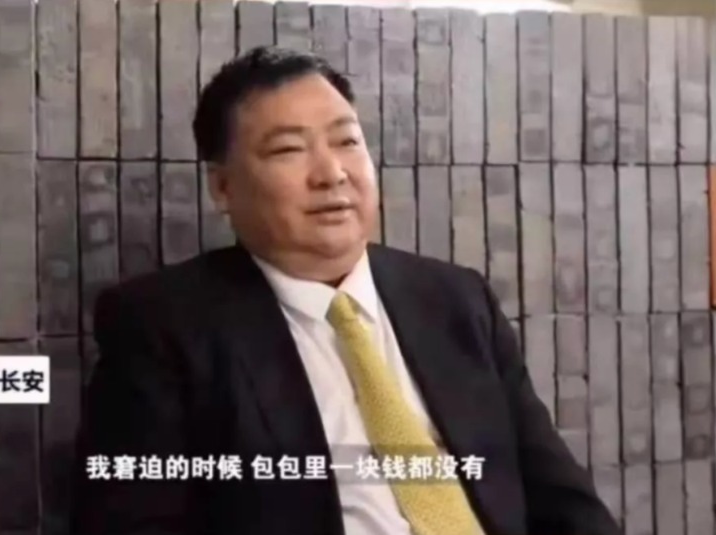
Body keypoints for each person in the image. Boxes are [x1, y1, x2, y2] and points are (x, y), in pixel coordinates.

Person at [71, 46, 621, 535]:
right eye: (289, 150)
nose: (332, 174)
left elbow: (561, 497)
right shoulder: (162, 326)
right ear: (223, 186)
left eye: (347, 141)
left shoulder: (456, 299)